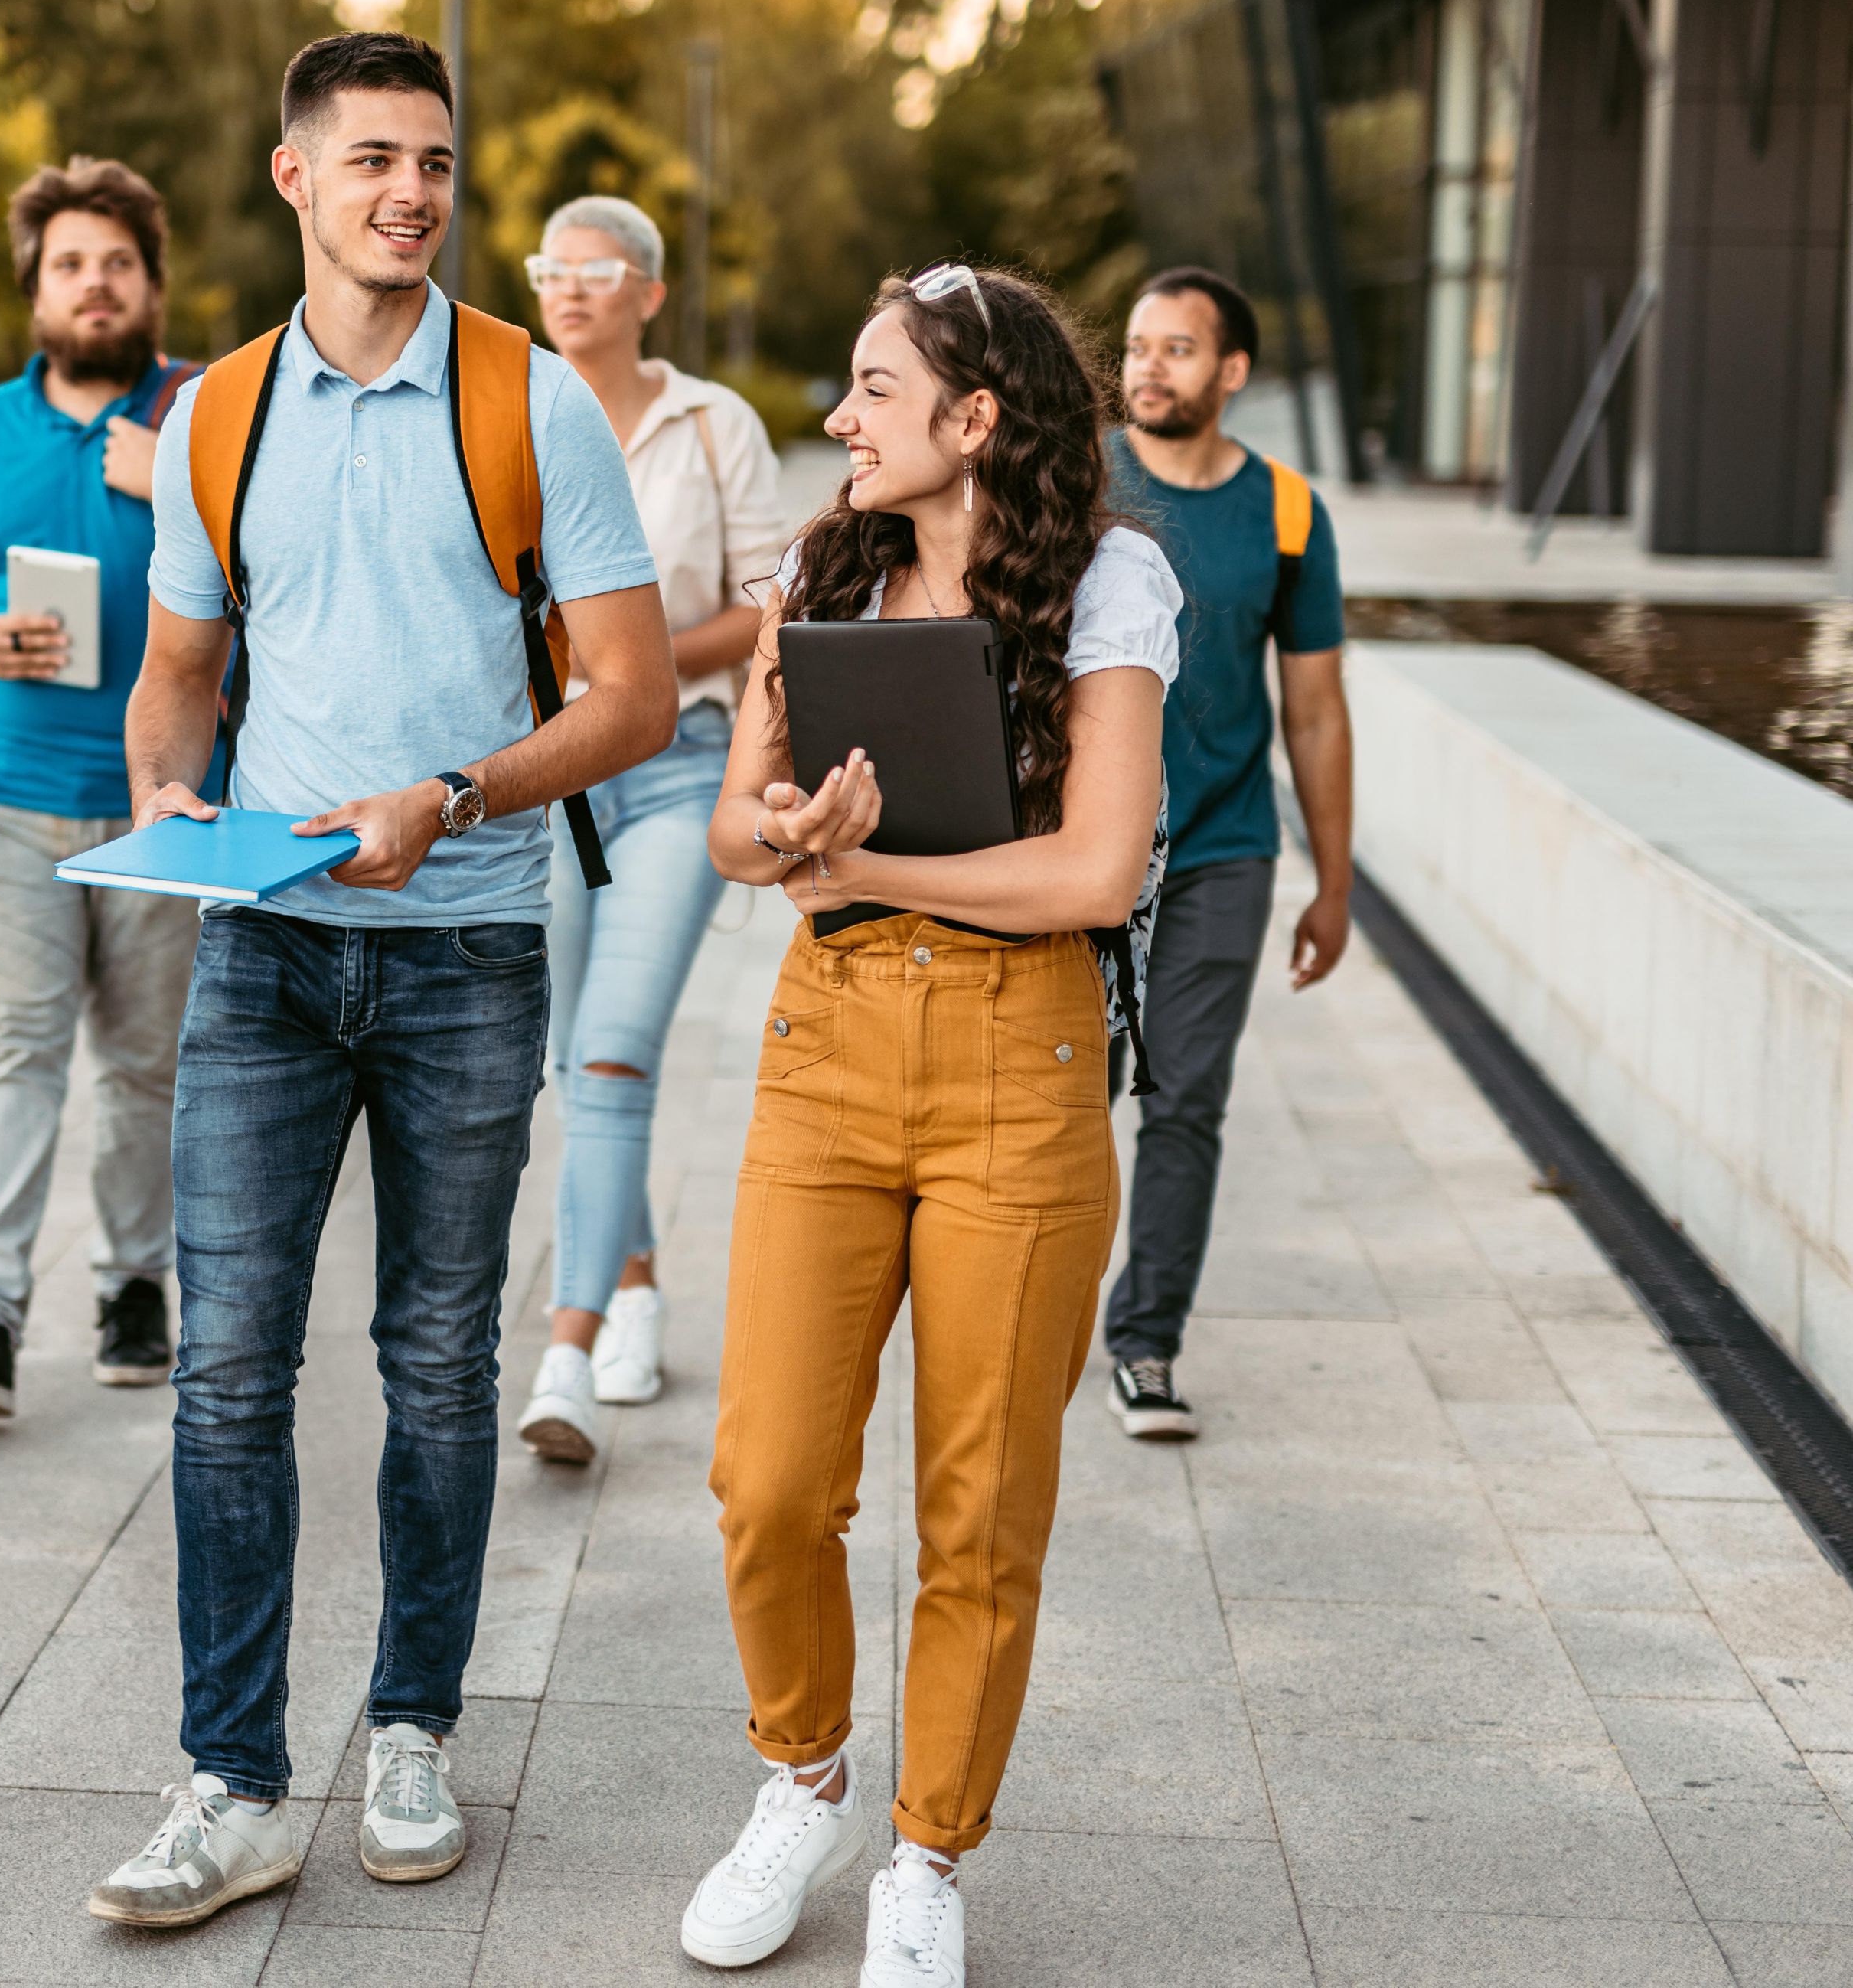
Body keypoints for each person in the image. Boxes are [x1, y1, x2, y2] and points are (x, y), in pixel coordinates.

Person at [85, 31, 674, 1928]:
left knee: (435, 1364)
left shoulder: (527, 401)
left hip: (465, 949)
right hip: (259, 948)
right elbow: (179, 667)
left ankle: (410, 1727)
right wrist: (165, 789)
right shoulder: (216, 416)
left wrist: (452, 795)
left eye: (430, 159)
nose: (407, 191)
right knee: (224, 1368)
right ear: (293, 179)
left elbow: (632, 699)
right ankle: (233, 1779)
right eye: (369, 161)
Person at [683, 264, 1177, 1988]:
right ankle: (800, 1776)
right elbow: (732, 837)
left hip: (1015, 1071)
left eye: (872, 390)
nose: (839, 420)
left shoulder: (1107, 581)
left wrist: (860, 862)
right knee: (765, 1477)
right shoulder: (824, 568)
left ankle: (926, 1853)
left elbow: (1093, 873)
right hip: (824, 1051)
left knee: (976, 1506)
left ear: (976, 420)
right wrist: (787, 823)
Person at [0, 158, 201, 1418]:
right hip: (8, 798)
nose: (96, 285)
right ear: (37, 285)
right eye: (72, 263)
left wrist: (173, 478)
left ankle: (137, 1282)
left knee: (143, 1066)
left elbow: (280, 577)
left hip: (165, 805)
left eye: (117, 265)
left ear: (149, 288)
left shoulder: (201, 421)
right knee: (17, 1047)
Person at [510, 194, 786, 1461]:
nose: (569, 289)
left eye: (597, 270)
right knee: (571, 1052)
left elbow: (767, 600)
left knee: (615, 1049)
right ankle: (632, 1286)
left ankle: (563, 1351)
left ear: (649, 293)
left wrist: (639, 662)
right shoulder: (512, 406)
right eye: (550, 268)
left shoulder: (710, 421)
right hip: (551, 772)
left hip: (677, 767)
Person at [1101, 265, 1351, 1441]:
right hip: (1083, 845)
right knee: (1068, 1090)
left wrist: (1333, 883)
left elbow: (1314, 710)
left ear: (1232, 373)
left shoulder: (1290, 513)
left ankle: (1145, 1341)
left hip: (1225, 849)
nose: (1149, 366)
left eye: (1179, 349)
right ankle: (1037, 1313)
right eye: (1139, 347)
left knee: (1186, 1098)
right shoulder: (1083, 479)